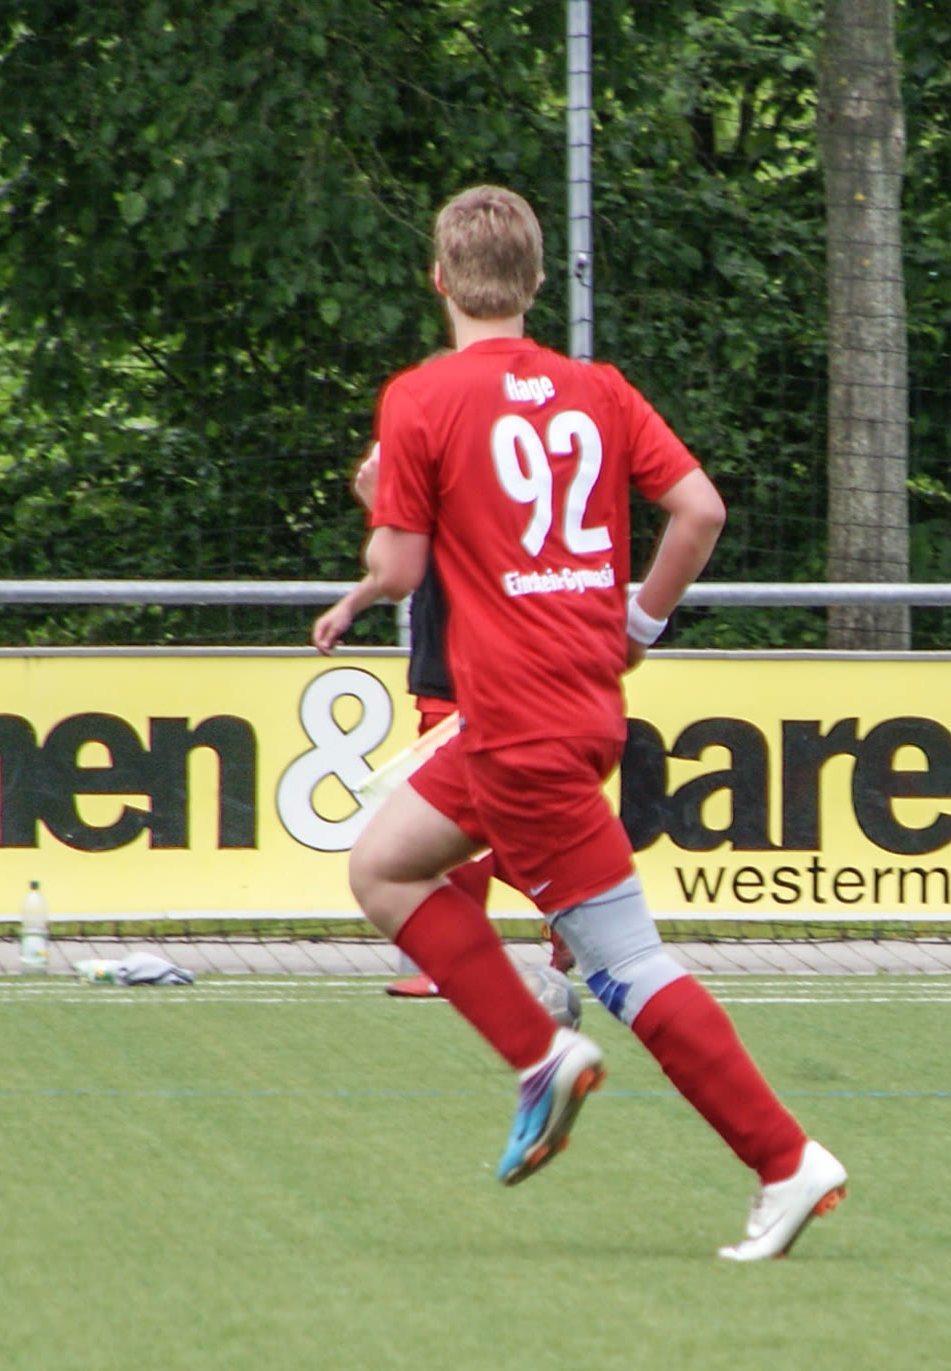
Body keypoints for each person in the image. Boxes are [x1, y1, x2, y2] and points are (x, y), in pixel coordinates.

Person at [345, 185, 845, 1260]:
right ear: (534, 282)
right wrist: (640, 622)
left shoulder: (420, 396)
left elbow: (401, 568)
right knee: (382, 864)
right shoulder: (599, 389)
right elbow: (700, 509)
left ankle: (781, 1158)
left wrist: (374, 507)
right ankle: (540, 1052)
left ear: (438, 279)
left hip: (515, 728)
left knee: (627, 964)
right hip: (566, 706)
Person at [314, 444, 574, 1000]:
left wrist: (380, 504)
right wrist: (351, 605)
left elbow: (405, 558)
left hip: (464, 678)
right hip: (455, 675)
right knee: (478, 827)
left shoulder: (465, 490)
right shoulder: (463, 487)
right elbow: (406, 562)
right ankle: (571, 906)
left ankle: (461, 960)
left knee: (448, 828)